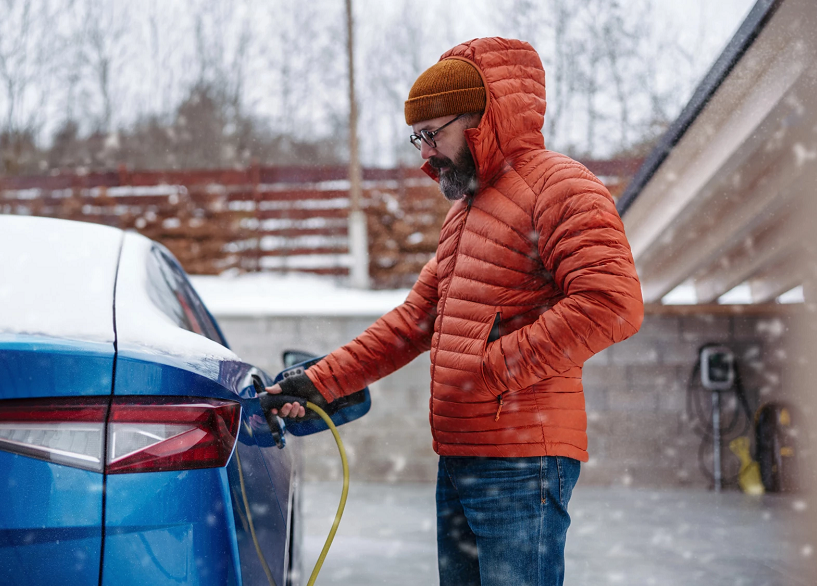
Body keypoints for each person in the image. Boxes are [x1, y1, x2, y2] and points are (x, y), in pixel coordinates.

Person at [265, 37, 643, 586]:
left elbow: (611, 304)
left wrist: (489, 370)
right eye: (417, 138)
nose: (424, 154)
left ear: (482, 120)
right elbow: (413, 322)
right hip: (462, 454)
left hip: (522, 460)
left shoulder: (563, 187)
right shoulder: (466, 213)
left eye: (432, 134)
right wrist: (319, 381)